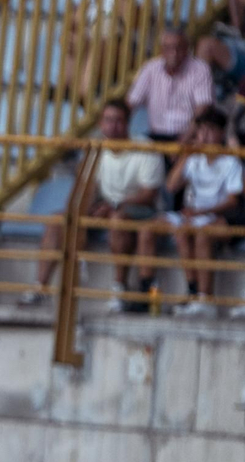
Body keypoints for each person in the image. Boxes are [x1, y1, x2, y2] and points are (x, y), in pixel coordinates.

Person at [22, 99, 163, 310]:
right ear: (100, 123)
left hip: (138, 209)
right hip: (106, 206)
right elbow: (84, 191)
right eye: (108, 120)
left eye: (118, 120)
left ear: (128, 122)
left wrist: (114, 204)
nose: (113, 126)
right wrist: (84, 214)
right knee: (56, 221)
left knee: (118, 220)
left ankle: (119, 288)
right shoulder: (94, 150)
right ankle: (40, 288)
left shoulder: (145, 148)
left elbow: (148, 195)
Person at [167, 110, 245, 317]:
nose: (204, 136)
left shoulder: (231, 162)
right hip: (194, 216)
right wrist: (186, 154)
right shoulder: (194, 159)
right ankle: (193, 291)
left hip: (217, 217)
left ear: (221, 134)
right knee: (180, 231)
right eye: (201, 130)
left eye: (210, 130)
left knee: (202, 234)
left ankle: (206, 298)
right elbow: (171, 186)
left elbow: (233, 200)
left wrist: (202, 211)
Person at [127, 26, 214, 149]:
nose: (174, 53)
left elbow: (203, 108)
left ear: (187, 48)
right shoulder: (150, 68)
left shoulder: (200, 69)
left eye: (179, 47)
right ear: (161, 50)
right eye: (168, 48)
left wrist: (184, 141)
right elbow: (131, 102)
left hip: (189, 137)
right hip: (156, 137)